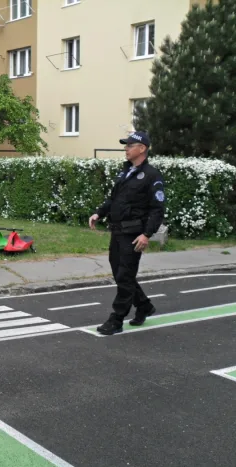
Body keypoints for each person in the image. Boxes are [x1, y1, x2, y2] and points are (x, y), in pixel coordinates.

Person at [89, 131, 165, 335]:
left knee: (125, 275)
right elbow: (114, 198)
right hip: (118, 230)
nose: (126, 148)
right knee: (120, 273)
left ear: (142, 149)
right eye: (126, 145)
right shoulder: (125, 172)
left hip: (134, 233)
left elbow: (157, 209)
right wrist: (99, 212)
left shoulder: (151, 175)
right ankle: (144, 305)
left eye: (130, 145)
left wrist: (147, 234)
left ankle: (117, 319)